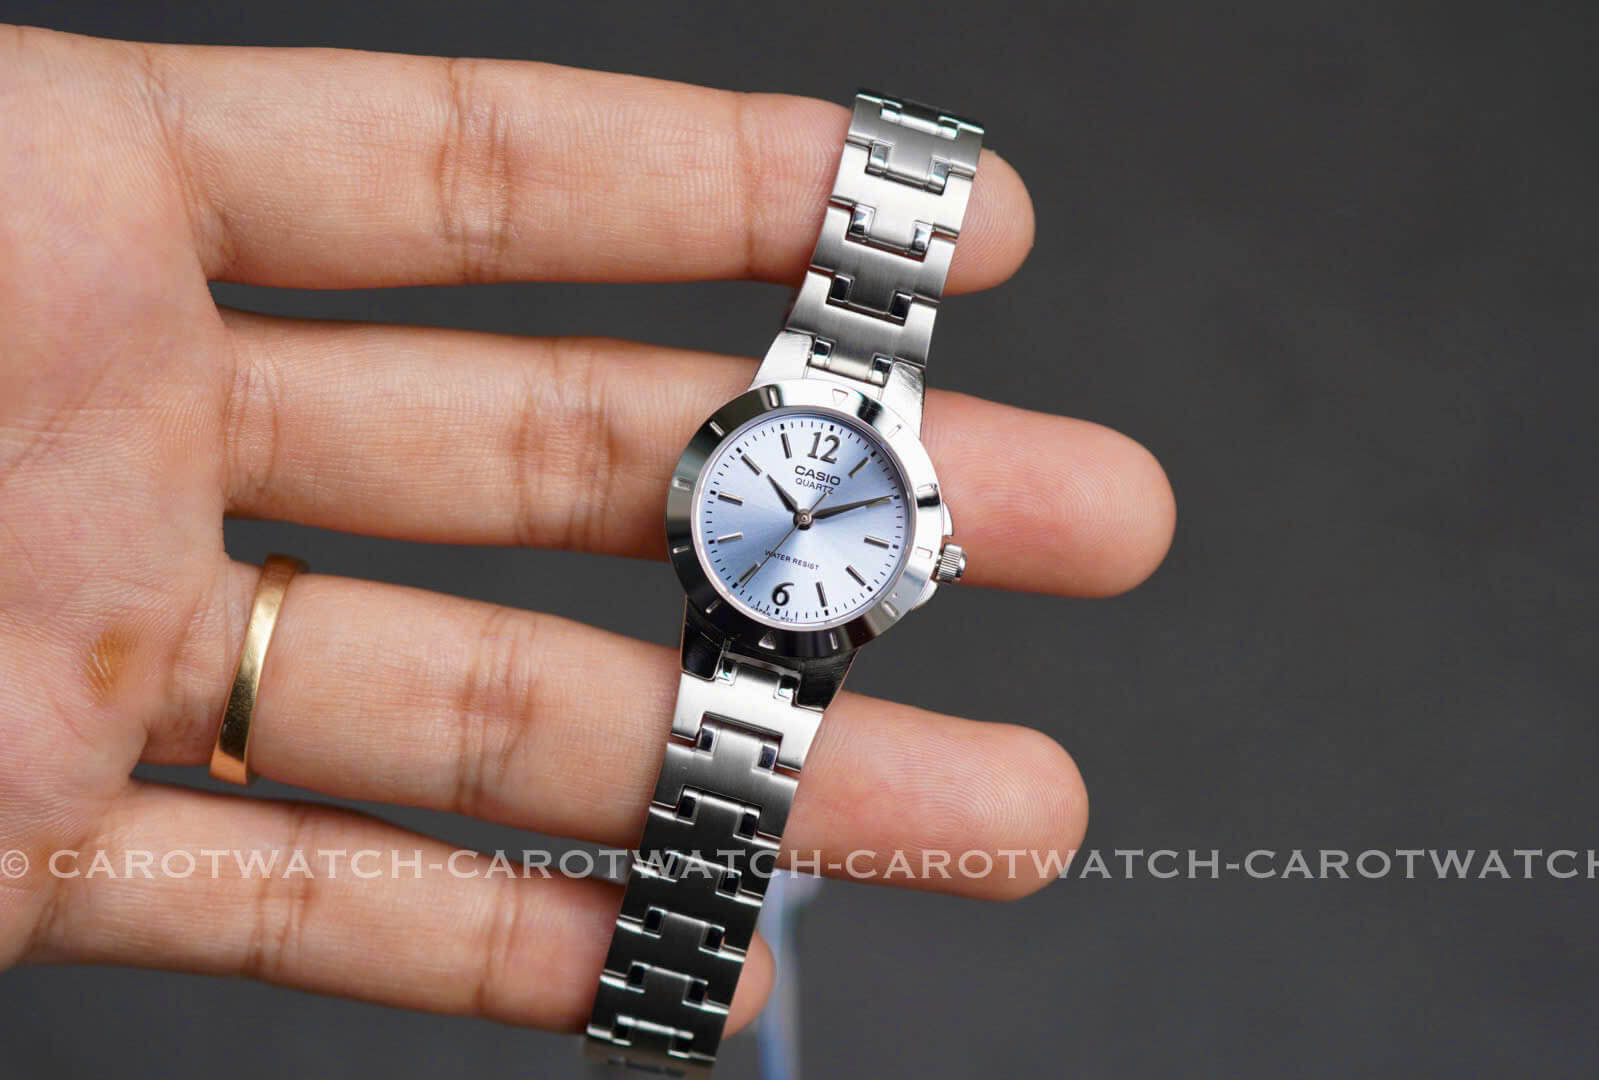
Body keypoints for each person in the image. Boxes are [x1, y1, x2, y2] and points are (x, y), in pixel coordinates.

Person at [0, 26, 1175, 1041]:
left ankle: (659, 1016)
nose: (809, 514)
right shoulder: (771, 497)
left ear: (920, 559)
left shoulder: (836, 529)